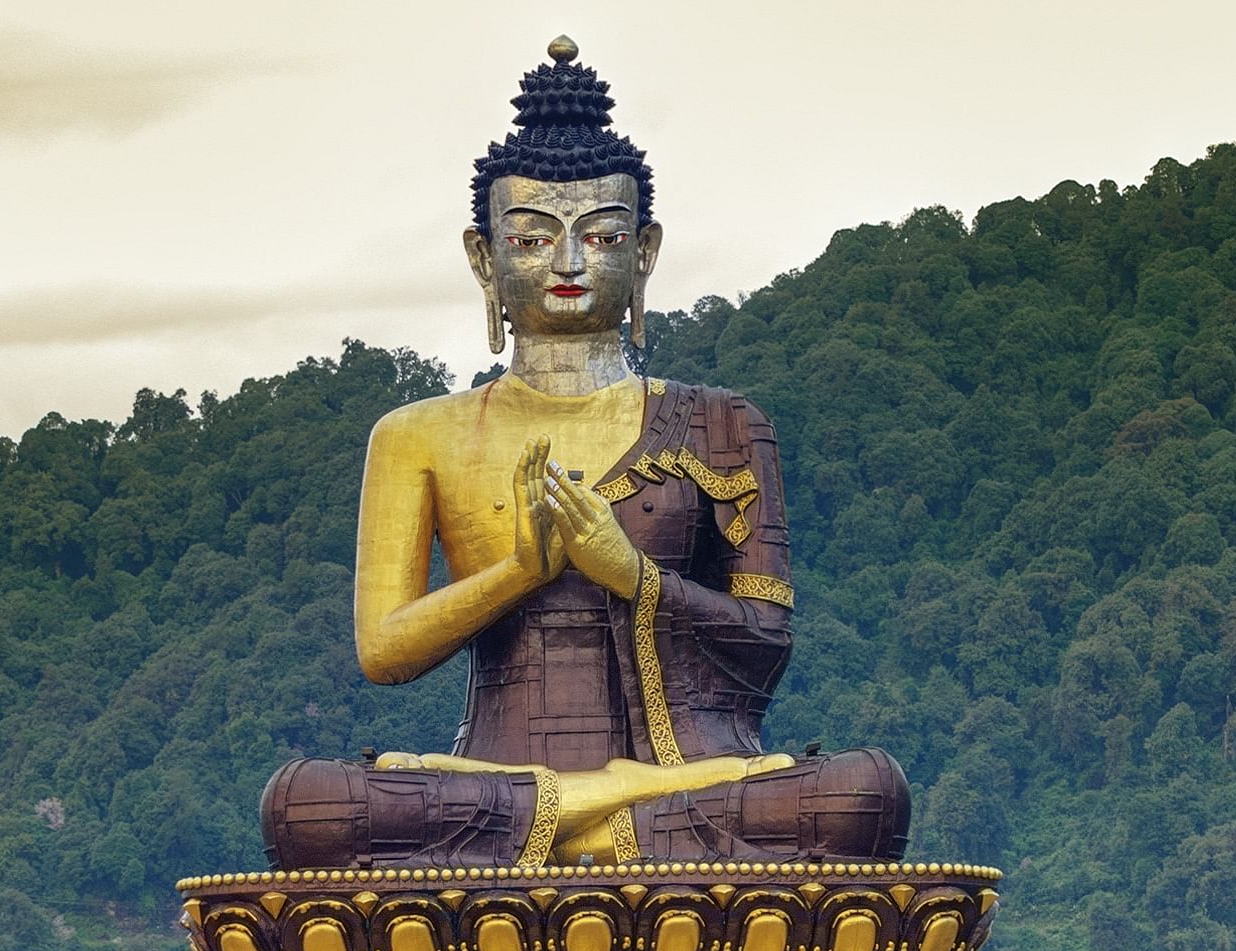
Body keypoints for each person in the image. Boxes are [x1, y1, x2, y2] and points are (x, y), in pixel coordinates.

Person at [260, 37, 909, 869]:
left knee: (862, 795)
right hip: (502, 774)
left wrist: (630, 574)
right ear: (482, 256)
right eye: (532, 240)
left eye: (599, 236)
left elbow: (766, 638)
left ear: (643, 252)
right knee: (307, 806)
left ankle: (565, 825)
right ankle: (611, 811)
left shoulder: (722, 423)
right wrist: (518, 573)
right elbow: (383, 651)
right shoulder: (417, 434)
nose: (568, 262)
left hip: (684, 773)